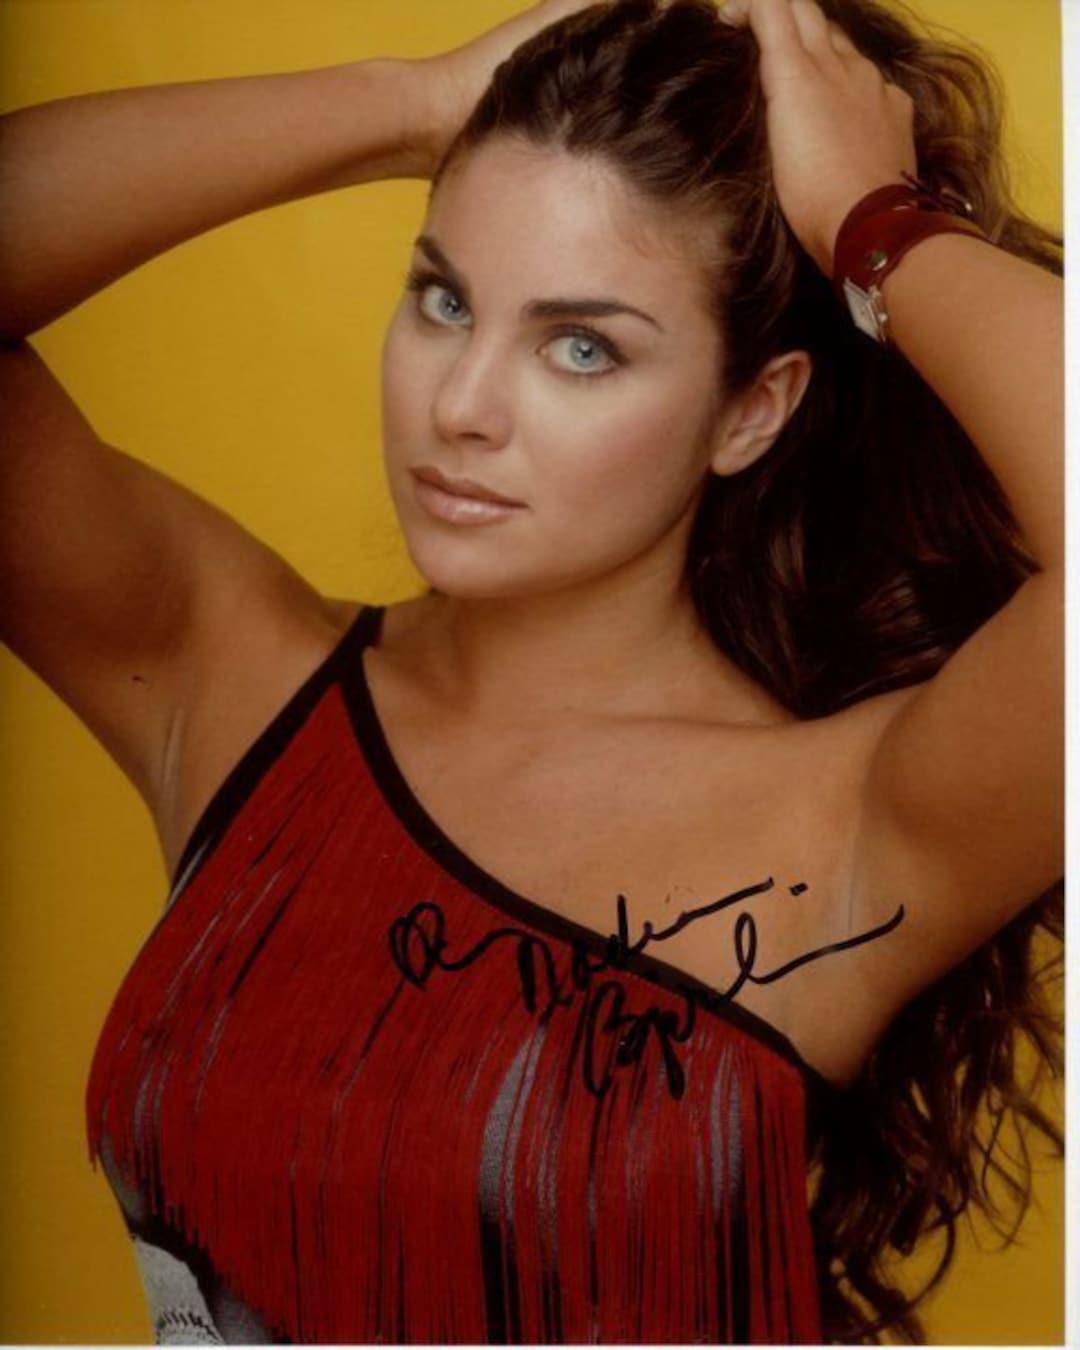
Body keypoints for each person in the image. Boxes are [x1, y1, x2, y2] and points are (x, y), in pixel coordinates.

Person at [0, 0, 1063, 1343]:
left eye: (581, 346)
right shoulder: (231, 683)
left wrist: (871, 215)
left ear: (753, 411)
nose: (460, 406)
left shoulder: (854, 826)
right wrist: (411, 104)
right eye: (444, 300)